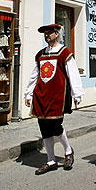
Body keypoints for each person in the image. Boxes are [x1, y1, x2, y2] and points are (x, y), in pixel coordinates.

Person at [24, 24, 84, 175]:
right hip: (41, 95)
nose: (47, 35)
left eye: (49, 33)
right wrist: (28, 93)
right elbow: (35, 75)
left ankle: (68, 151)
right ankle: (51, 160)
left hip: (58, 96)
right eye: (45, 33)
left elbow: (73, 73)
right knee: (44, 128)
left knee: (56, 126)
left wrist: (77, 94)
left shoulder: (65, 52)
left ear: (57, 34)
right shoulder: (40, 54)